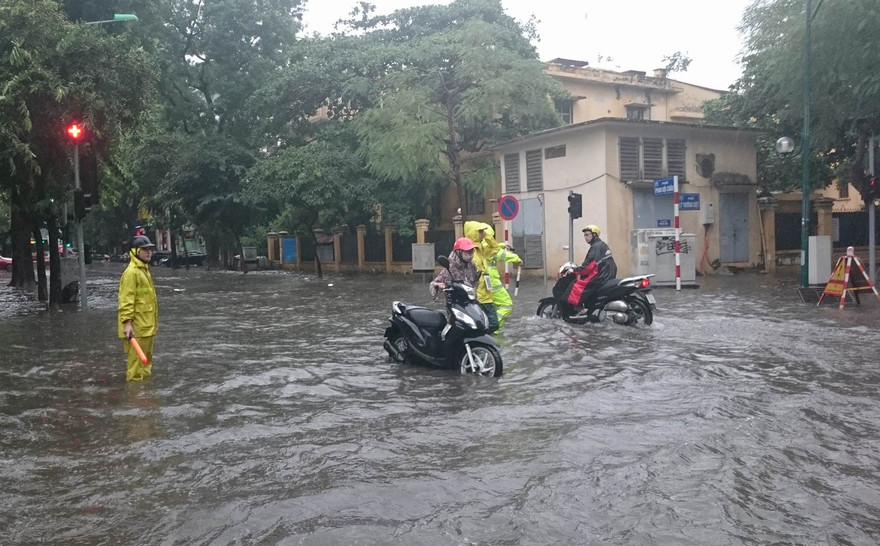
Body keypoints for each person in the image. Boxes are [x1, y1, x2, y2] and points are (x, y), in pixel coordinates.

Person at [118, 235, 158, 382]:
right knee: (135, 370)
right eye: (145, 249)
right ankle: (134, 393)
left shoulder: (144, 270)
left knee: (146, 365)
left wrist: (155, 322)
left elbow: (149, 300)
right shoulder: (131, 273)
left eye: (150, 249)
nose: (149, 252)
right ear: (135, 251)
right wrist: (127, 323)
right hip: (137, 330)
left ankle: (145, 392)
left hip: (147, 327)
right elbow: (126, 300)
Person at [469, 222, 522, 333]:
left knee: (491, 306)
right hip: (490, 281)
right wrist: (517, 259)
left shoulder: (481, 247)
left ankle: (490, 327)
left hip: (486, 283)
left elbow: (495, 247)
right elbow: (500, 253)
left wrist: (502, 245)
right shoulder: (484, 249)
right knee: (506, 305)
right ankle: (493, 328)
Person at [567, 224, 617, 314]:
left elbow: (587, 266)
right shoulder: (602, 244)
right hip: (608, 274)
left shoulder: (595, 247)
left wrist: (574, 270)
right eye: (584, 235)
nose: (585, 237)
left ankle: (580, 310)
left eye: (587, 235)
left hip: (601, 276)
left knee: (577, 286)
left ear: (594, 235)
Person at [462, 221, 501, 334]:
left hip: (487, 294)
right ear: (473, 233)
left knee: (493, 324)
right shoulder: (469, 252)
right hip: (478, 296)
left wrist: (487, 236)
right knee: (485, 324)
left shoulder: (481, 249)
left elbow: (495, 248)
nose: (482, 233)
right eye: (480, 231)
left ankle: (484, 339)